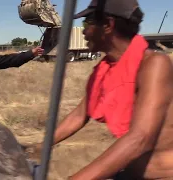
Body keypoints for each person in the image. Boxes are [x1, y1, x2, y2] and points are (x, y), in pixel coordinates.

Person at [26, 0, 173, 179]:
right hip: (129, 172)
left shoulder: (154, 65)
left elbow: (140, 138)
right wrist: (40, 147)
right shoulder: (105, 70)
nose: (85, 31)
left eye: (87, 23)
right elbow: (79, 115)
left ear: (108, 25)